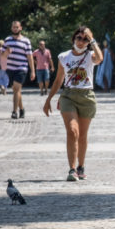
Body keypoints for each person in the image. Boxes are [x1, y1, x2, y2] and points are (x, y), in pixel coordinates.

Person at [43, 25, 104, 182]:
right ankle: (72, 169)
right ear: (73, 39)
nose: (82, 41)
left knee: (82, 135)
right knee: (72, 131)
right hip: (68, 95)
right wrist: (48, 99)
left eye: (85, 40)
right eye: (79, 38)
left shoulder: (91, 55)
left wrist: (93, 40)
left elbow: (100, 58)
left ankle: (81, 167)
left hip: (86, 96)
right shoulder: (64, 57)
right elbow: (58, 80)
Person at [1, 20, 35, 118]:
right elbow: (3, 56)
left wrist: (32, 71)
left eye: (17, 27)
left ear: (20, 28)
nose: (15, 29)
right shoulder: (7, 40)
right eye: (13, 27)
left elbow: (30, 57)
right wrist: (7, 52)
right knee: (17, 90)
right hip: (10, 68)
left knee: (16, 89)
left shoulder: (26, 41)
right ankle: (22, 109)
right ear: (11, 28)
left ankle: (14, 112)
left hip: (21, 68)